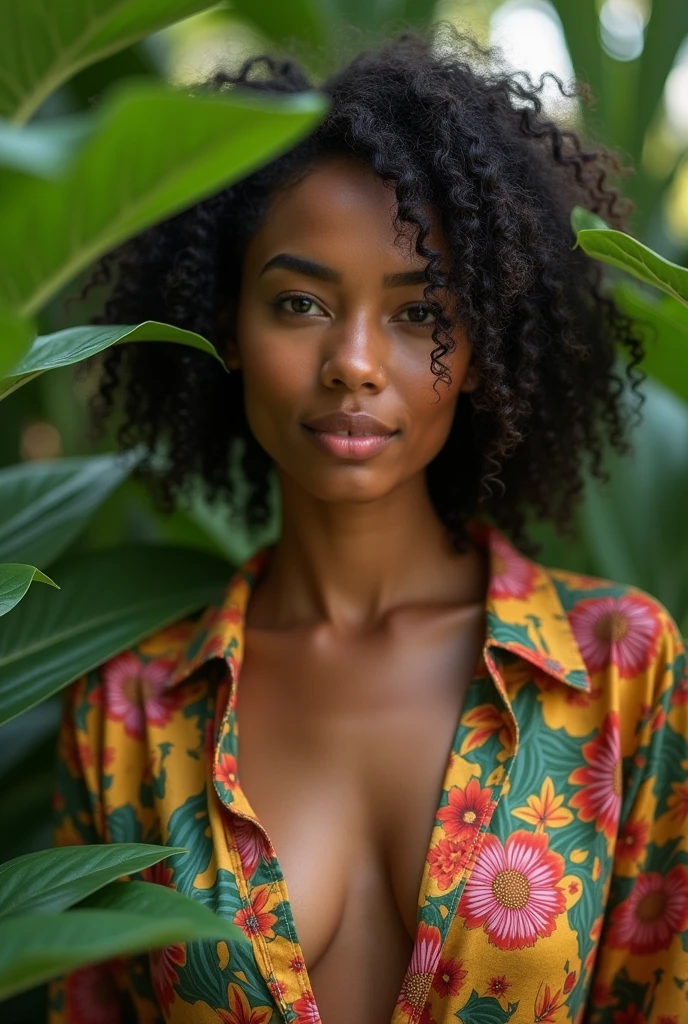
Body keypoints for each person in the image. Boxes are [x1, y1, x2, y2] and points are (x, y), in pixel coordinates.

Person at [48, 23, 688, 1024]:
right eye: (299, 302)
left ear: (485, 344)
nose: (354, 360)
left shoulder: (620, 670)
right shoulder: (129, 708)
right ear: (224, 326)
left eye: (420, 312)